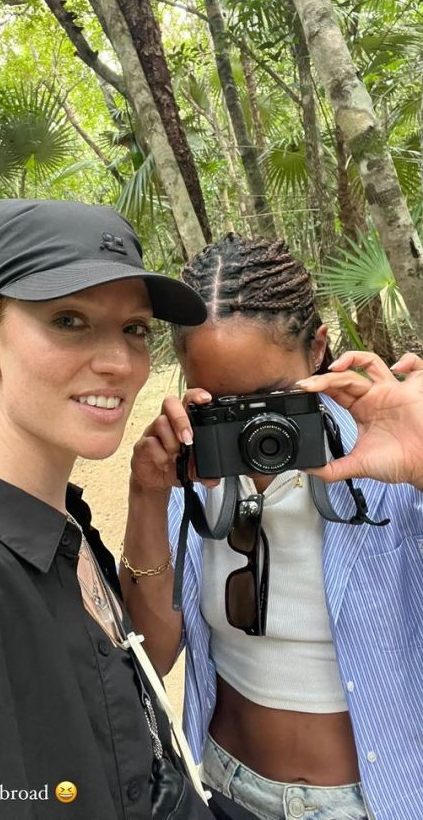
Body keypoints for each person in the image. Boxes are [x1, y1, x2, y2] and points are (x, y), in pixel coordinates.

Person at [0, 198, 212, 820]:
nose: (118, 362)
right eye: (68, 320)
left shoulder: (65, 527)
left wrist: (149, 495)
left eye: (135, 329)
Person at [122, 235, 423, 820]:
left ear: (317, 348)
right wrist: (147, 497)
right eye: (219, 405)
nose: (248, 430)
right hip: (227, 786)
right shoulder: (196, 466)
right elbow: (153, 658)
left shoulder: (385, 452)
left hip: (371, 801)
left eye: (272, 400)